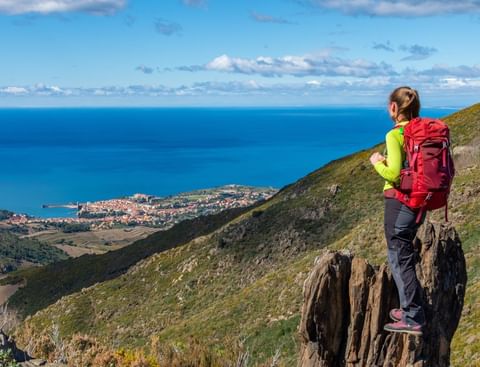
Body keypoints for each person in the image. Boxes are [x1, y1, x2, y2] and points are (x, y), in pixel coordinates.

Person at [369, 86, 426, 336]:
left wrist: (377, 164)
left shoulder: (395, 135)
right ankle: (409, 308)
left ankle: (412, 315)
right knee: (404, 253)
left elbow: (393, 174)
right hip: (420, 200)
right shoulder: (421, 132)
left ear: (394, 107)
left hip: (400, 201)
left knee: (399, 255)